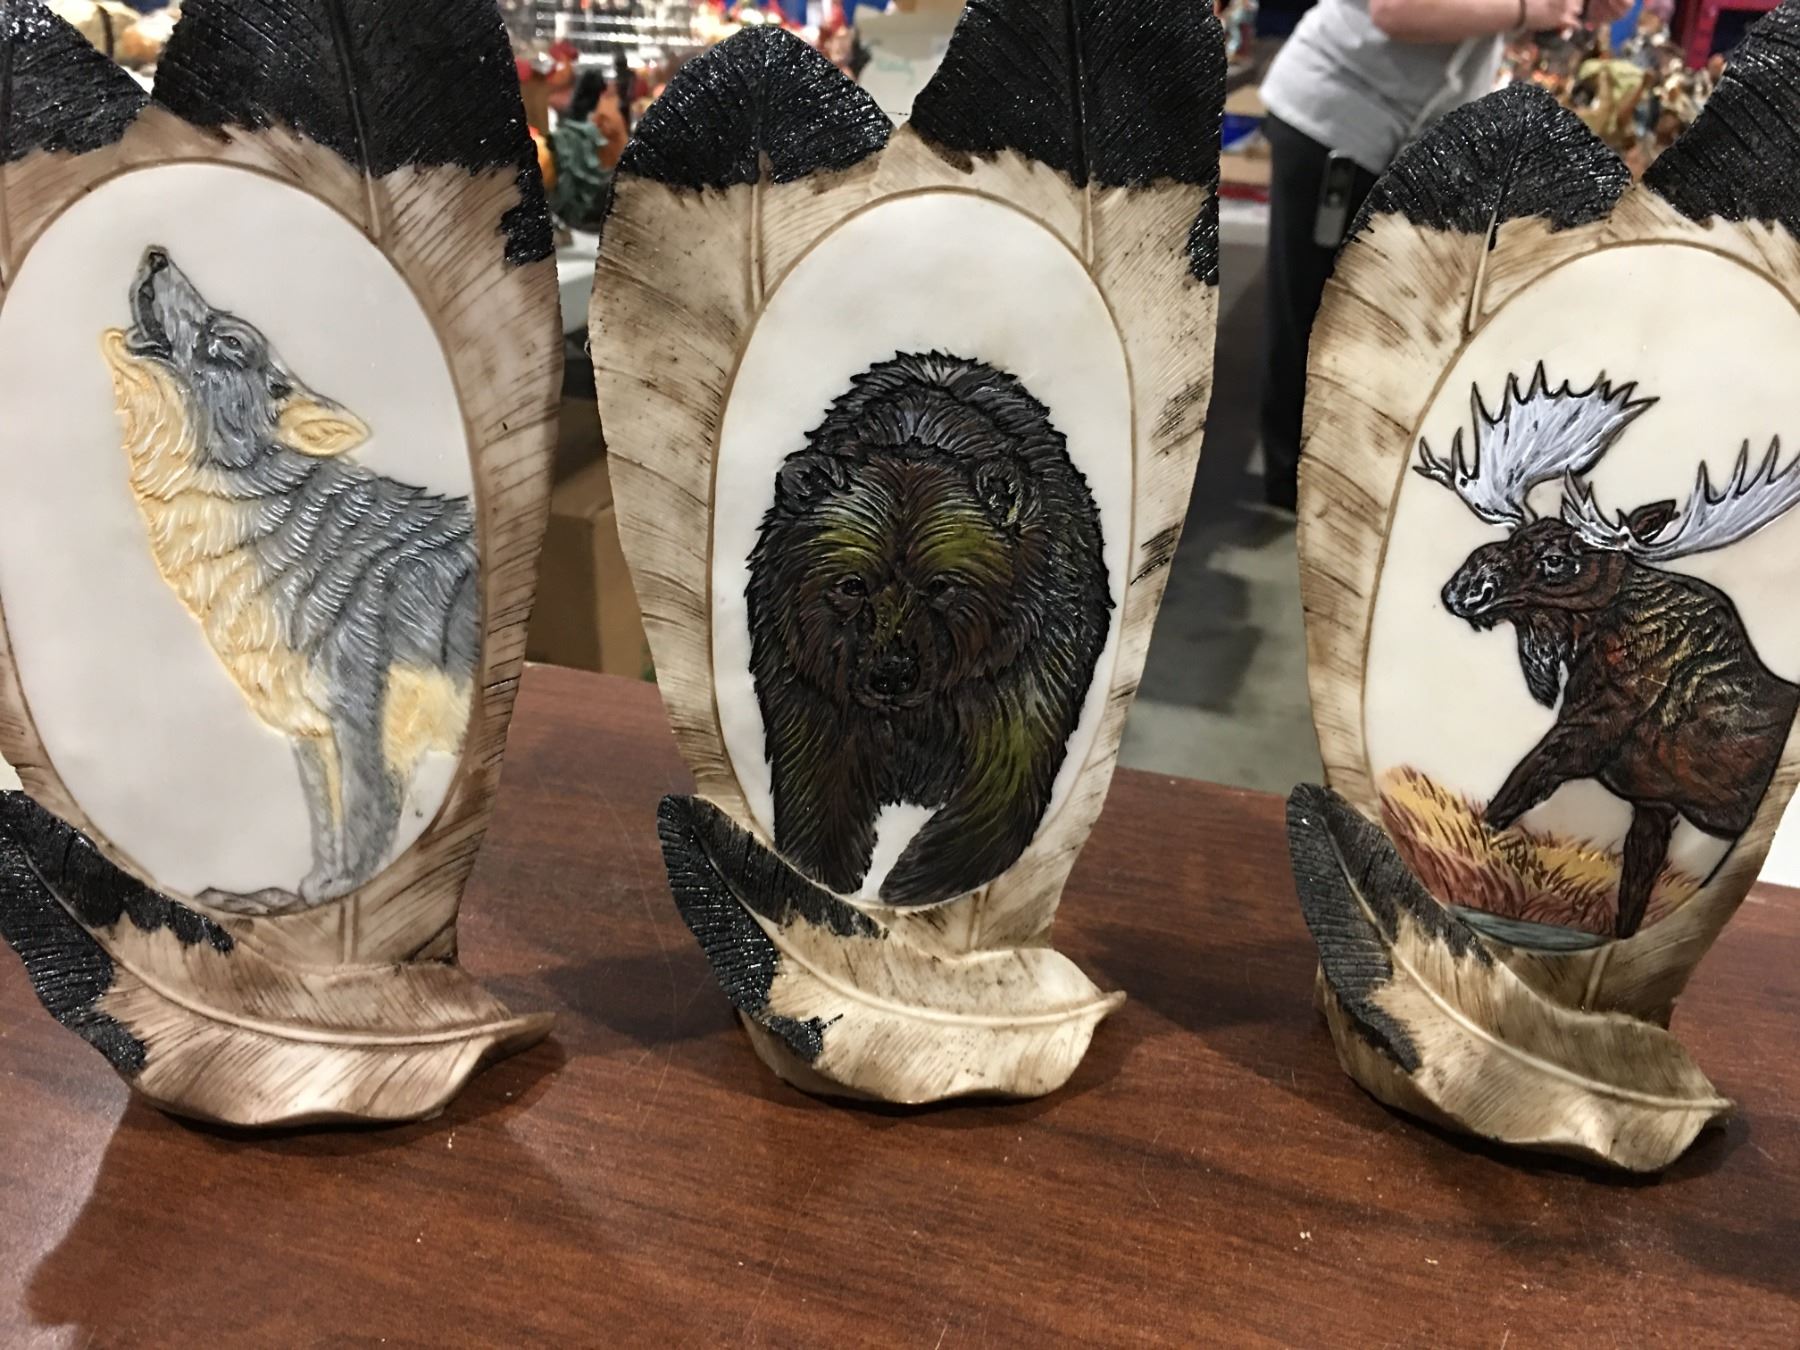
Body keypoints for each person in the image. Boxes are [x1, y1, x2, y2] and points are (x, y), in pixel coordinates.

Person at [1256, 0, 1632, 510]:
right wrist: (1530, 10)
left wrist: (1569, 10)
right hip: (1342, 119)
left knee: (1366, 319)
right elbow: (1396, 10)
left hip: (1398, 130)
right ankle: (1295, 491)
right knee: (1314, 313)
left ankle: (1328, 484)